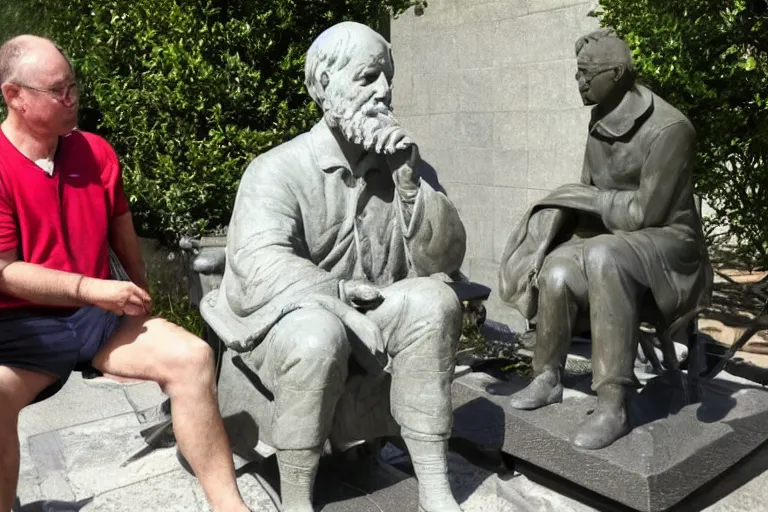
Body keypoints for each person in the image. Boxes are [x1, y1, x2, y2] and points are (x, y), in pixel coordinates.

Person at [202, 21, 467, 512]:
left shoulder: (400, 163)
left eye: (387, 78)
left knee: (436, 300)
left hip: (375, 312)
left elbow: (444, 262)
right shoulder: (276, 169)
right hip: (285, 318)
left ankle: (434, 484)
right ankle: (299, 496)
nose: (384, 92)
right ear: (324, 88)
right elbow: (259, 262)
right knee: (317, 335)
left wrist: (411, 184)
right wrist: (337, 294)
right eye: (368, 78)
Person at [0, 35, 250, 512]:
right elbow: (4, 271)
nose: (73, 98)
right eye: (60, 91)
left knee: (193, 357)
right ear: (16, 97)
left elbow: (122, 230)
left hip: (98, 319)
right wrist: (91, 288)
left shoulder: (95, 152)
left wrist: (140, 293)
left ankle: (231, 508)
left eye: (74, 85)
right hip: (20, 327)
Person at [499, 29, 712, 450]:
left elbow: (646, 214)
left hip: (671, 246)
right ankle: (547, 375)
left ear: (614, 74)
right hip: (615, 237)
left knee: (601, 254)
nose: (578, 82)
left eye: (585, 74)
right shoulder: (600, 118)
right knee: (559, 267)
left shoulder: (670, 129)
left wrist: (593, 200)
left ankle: (614, 401)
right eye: (576, 73)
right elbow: (589, 197)